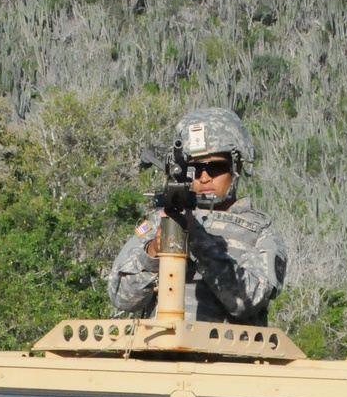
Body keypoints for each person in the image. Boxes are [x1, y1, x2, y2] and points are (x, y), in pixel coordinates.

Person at [108, 108, 287, 325]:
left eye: (215, 168)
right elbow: (120, 297)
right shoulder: (158, 221)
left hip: (226, 355)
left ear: (236, 166)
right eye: (194, 168)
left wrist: (197, 240)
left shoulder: (260, 232)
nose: (203, 178)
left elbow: (247, 301)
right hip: (158, 354)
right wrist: (153, 253)